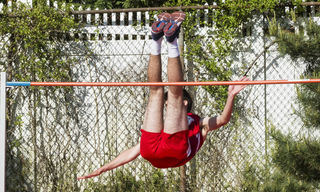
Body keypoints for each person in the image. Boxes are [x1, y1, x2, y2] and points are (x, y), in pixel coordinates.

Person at [78, 11, 249, 180]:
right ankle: (161, 39)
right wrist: (103, 169)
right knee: (156, 92)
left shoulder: (200, 123)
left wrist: (231, 96)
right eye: (166, 104)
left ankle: (163, 40)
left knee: (164, 93)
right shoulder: (186, 122)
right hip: (156, 151)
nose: (166, 105)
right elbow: (132, 151)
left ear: (186, 103)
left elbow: (222, 120)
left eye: (171, 104)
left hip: (162, 150)